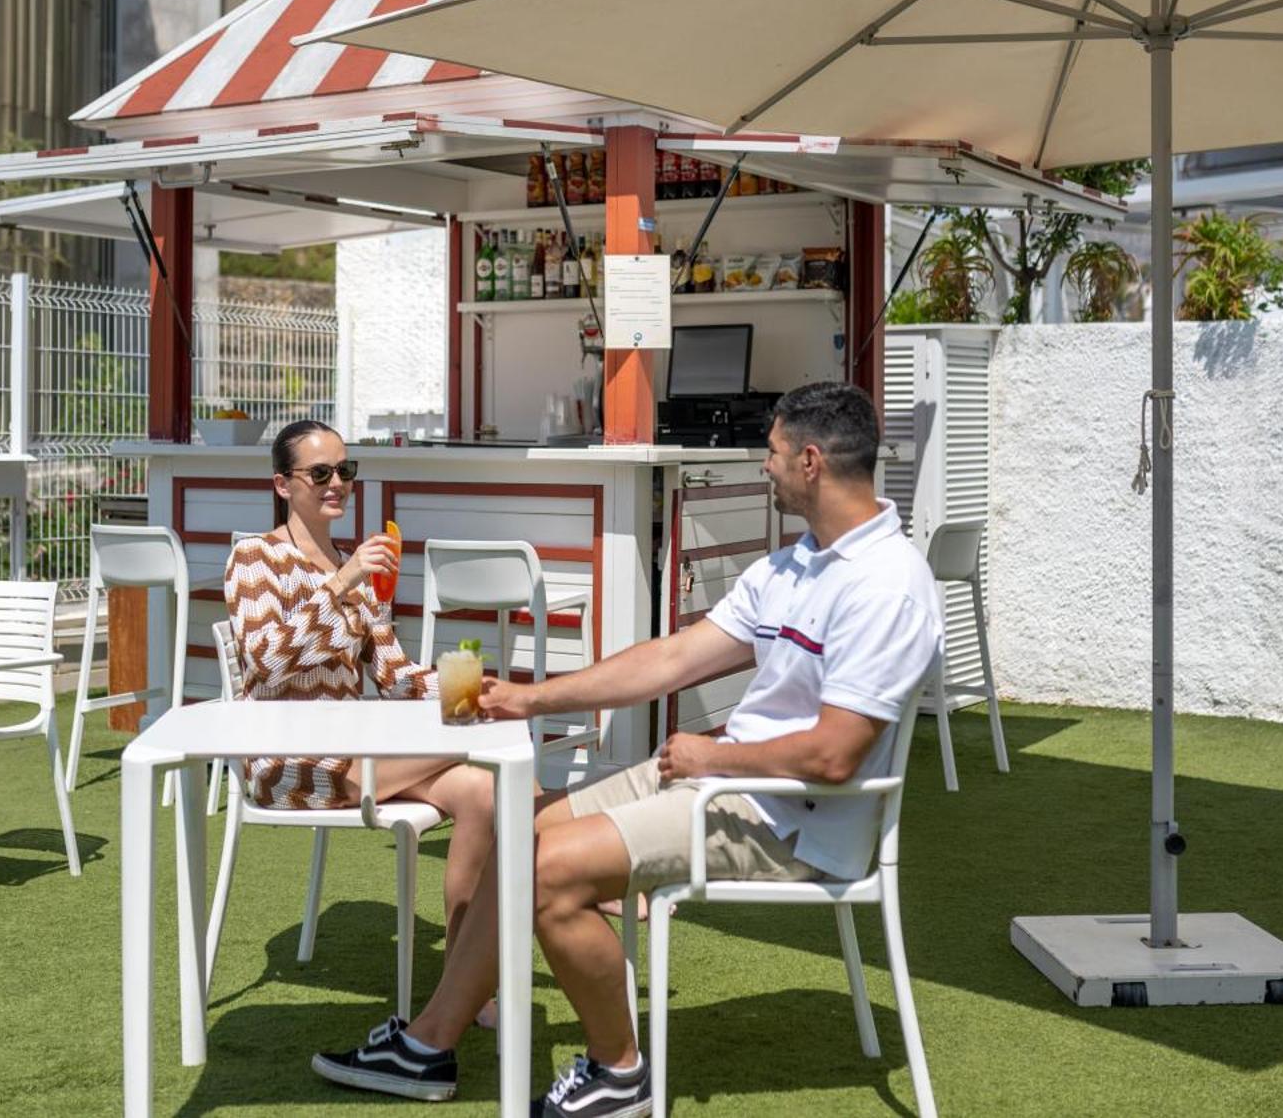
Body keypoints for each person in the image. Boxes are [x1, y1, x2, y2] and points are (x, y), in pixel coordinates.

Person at [310, 382, 944, 1117]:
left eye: (769, 453)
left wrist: (715, 760)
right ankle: (429, 1042)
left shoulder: (886, 585)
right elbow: (672, 659)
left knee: (547, 869)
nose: (761, 466)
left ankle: (619, 1073)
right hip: (733, 781)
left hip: (797, 820)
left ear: (810, 462)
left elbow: (836, 756)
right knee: (519, 826)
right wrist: (530, 695)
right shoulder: (797, 563)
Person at [224, 420, 502, 966]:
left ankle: (464, 975)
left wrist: (476, 686)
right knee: (487, 748)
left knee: (482, 789)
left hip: (353, 752)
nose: (337, 483)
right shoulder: (255, 557)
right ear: (283, 485)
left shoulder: (352, 565)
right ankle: (579, 867)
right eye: (320, 472)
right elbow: (265, 661)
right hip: (287, 760)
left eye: (345, 471)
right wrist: (341, 582)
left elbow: (396, 678)